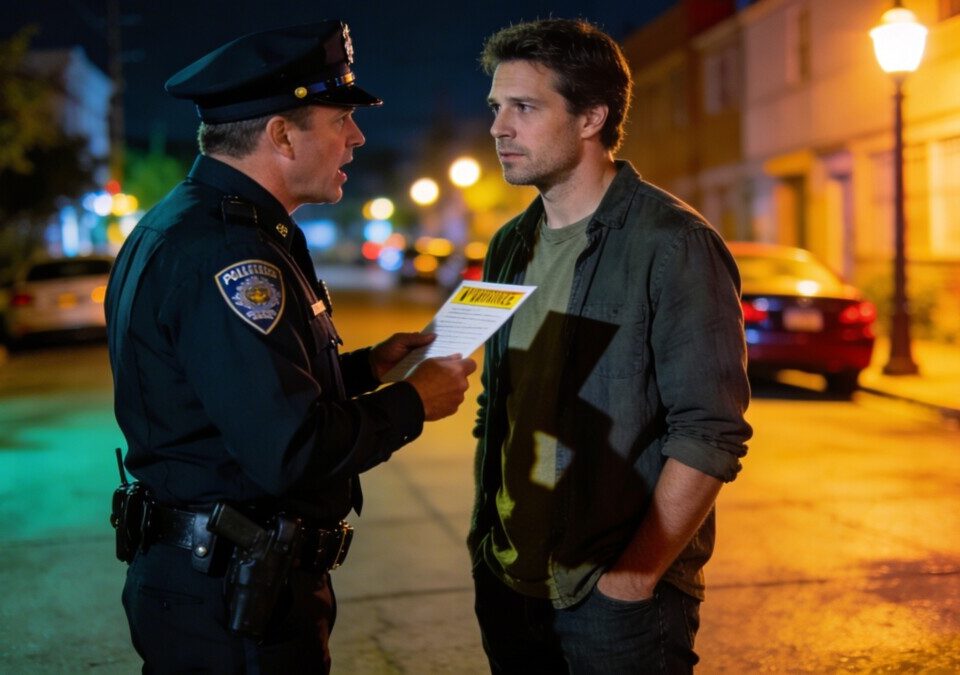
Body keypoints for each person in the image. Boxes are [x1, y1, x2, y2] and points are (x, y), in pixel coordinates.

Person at [105, 20, 476, 673]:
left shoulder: (198, 223)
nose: (357, 138)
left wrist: (363, 368)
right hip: (232, 593)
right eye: (339, 120)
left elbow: (233, 395)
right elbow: (289, 448)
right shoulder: (231, 251)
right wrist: (414, 402)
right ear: (281, 134)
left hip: (218, 577)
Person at [469, 18, 752, 673]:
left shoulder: (672, 243)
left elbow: (710, 431)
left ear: (591, 116)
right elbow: (500, 403)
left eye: (524, 107)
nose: (498, 127)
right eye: (495, 107)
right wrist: (489, 544)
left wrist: (635, 574)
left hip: (613, 601)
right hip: (510, 584)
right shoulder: (510, 242)